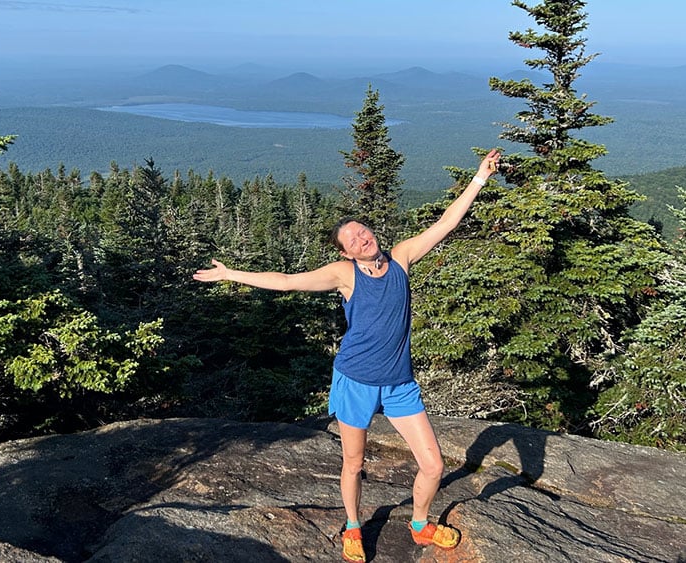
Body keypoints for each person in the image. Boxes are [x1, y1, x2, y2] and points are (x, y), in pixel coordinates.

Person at [193, 149, 501, 562]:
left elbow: (446, 223)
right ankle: (353, 527)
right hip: (356, 380)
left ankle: (420, 523)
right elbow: (286, 282)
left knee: (433, 465)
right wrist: (232, 273)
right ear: (346, 253)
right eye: (352, 239)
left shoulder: (403, 259)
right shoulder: (344, 274)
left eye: (363, 231)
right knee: (353, 463)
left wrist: (479, 177)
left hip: (399, 383)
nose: (362, 237)